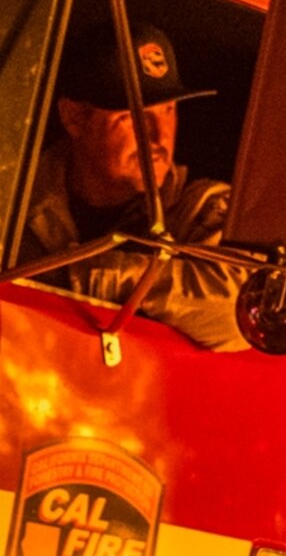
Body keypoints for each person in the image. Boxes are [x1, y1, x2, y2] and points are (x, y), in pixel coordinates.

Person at [19, 20, 246, 349]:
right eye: (133, 116)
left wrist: (85, 278)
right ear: (75, 118)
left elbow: (239, 313)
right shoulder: (11, 193)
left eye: (168, 111)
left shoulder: (201, 208)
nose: (158, 136)